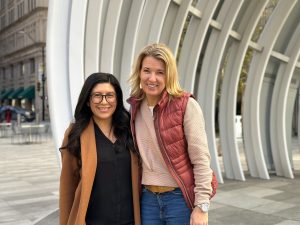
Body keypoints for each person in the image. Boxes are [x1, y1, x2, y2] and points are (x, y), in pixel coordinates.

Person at [127, 43, 217, 225]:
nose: (152, 78)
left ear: (169, 75)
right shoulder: (134, 108)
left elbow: (201, 159)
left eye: (160, 72)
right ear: (139, 72)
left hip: (179, 200)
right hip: (147, 200)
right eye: (147, 70)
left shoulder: (186, 105)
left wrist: (202, 206)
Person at [59, 72, 141, 225]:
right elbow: (67, 188)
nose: (104, 101)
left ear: (117, 99)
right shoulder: (75, 134)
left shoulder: (129, 130)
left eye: (110, 95)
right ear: (88, 101)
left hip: (129, 221)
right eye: (97, 95)